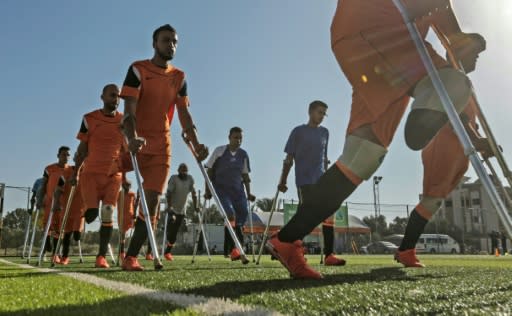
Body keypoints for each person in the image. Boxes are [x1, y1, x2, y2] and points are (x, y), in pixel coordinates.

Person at [266, 0, 489, 279]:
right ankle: (424, 120)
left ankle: (286, 240)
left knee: (362, 157)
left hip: (374, 51)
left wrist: (458, 41)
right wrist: (457, 40)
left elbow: (440, 11)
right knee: (455, 84)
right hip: (380, 28)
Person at [120, 24, 208, 271]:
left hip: (161, 146)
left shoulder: (179, 77)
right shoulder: (138, 69)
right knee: (111, 187)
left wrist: (197, 144)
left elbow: (184, 114)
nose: (171, 45)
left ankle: (131, 256)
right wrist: (131, 137)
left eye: (175, 41)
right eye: (166, 40)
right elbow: (128, 110)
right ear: (154, 43)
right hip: (133, 141)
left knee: (151, 201)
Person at [278, 100, 345, 266]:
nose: (321, 116)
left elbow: (324, 158)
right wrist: (283, 180)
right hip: (304, 180)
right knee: (305, 214)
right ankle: (288, 246)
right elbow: (288, 159)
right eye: (319, 112)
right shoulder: (298, 132)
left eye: (324, 114)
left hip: (322, 180)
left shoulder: (325, 133)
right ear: (310, 111)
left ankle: (329, 255)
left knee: (329, 214)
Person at [74, 83, 124, 269]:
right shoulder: (89, 119)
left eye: (118, 96)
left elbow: (126, 151)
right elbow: (82, 149)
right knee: (92, 213)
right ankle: (89, 210)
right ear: (102, 97)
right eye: (112, 95)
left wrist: (125, 178)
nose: (116, 99)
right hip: (91, 175)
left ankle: (100, 257)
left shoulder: (124, 121)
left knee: (108, 212)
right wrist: (75, 172)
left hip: (113, 175)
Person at [205, 126, 255, 261]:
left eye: (240, 138)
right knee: (230, 214)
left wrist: (249, 193)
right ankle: (235, 249)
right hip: (221, 189)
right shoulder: (219, 151)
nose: (238, 141)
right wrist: (207, 190)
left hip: (238, 190)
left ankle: (235, 248)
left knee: (242, 215)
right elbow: (208, 170)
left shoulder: (243, 154)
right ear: (229, 138)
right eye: (235, 137)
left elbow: (245, 175)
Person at [36, 146, 74, 263]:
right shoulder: (49, 169)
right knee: (48, 226)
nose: (66, 157)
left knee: (59, 229)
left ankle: (55, 254)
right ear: (58, 155)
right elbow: (43, 185)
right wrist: (39, 199)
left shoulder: (72, 170)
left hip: (63, 204)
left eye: (68, 155)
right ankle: (46, 246)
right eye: (63, 154)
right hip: (49, 202)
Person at [163, 163, 197, 261]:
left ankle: (167, 252)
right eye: (182, 171)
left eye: (186, 171)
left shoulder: (190, 179)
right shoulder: (174, 179)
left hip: (182, 210)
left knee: (174, 234)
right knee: (171, 228)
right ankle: (167, 231)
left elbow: (194, 194)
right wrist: (169, 207)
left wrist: (196, 207)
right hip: (172, 208)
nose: (184, 173)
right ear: (178, 171)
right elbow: (168, 193)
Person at [117, 178, 136, 260]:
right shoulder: (119, 194)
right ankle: (122, 252)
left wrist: (135, 213)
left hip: (131, 216)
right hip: (122, 216)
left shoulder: (132, 194)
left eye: (129, 185)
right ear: (122, 185)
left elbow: (134, 204)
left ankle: (133, 251)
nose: (127, 187)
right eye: (125, 185)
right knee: (122, 234)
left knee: (137, 230)